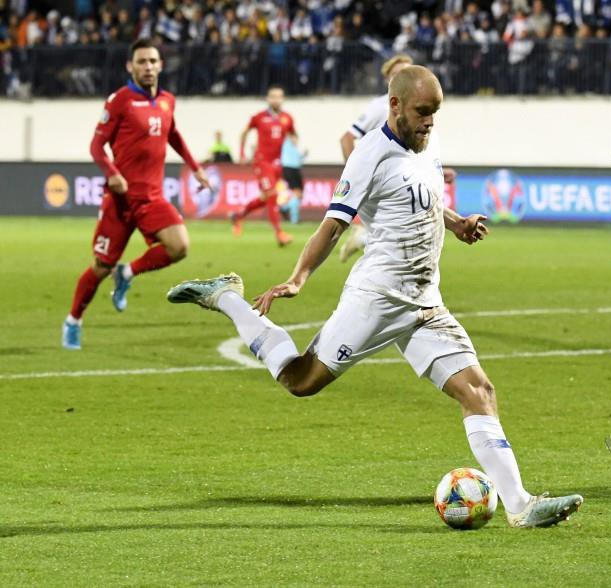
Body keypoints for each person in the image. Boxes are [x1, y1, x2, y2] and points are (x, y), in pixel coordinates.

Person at [167, 66, 583, 527]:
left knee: (479, 390)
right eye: (422, 112)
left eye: (435, 113)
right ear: (395, 106)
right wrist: (299, 277)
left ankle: (520, 505)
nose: (429, 121)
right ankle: (227, 297)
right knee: (300, 380)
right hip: (377, 300)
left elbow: (423, 197)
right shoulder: (370, 155)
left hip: (425, 302)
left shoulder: (429, 142)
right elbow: (333, 224)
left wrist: (456, 221)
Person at [62, 38, 210, 350]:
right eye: (141, 62)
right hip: (120, 201)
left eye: (153, 61)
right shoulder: (120, 100)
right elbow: (95, 145)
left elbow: (173, 134)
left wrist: (195, 167)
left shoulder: (168, 100)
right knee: (100, 267)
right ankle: (73, 320)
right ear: (131, 66)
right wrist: (112, 174)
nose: (148, 67)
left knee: (179, 246)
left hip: (152, 197)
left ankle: (128, 272)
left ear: (161, 65)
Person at [336, 54, 414, 262]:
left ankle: (362, 237)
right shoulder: (381, 106)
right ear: (388, 80)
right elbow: (346, 138)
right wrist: (355, 170)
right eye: (397, 74)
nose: (403, 78)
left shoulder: (416, 107)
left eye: (408, 72)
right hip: (387, 176)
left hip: (406, 174)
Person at [232, 85, 297, 246]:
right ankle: (279, 234)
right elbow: (244, 132)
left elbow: (293, 134)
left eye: (279, 96)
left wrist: (294, 140)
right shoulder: (259, 117)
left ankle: (238, 216)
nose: (276, 99)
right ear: (268, 99)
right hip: (262, 162)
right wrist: (241, 152)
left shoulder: (287, 118)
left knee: (266, 198)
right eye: (273, 96)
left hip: (277, 164)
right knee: (272, 195)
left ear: (283, 99)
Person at [279, 135, 306, 224]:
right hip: (290, 169)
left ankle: (285, 208)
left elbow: (298, 159)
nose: (296, 140)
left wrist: (303, 155)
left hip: (294, 169)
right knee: (297, 193)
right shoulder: (286, 142)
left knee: (299, 194)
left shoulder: (295, 149)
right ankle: (294, 219)